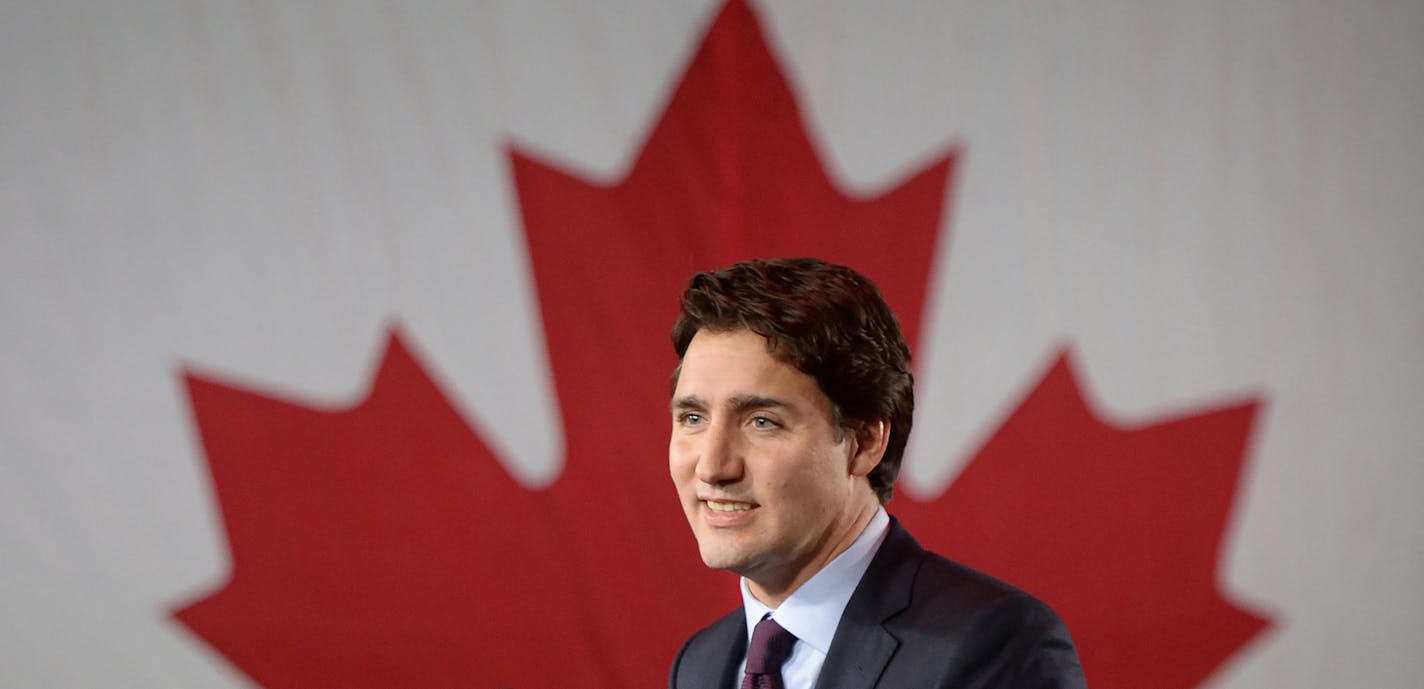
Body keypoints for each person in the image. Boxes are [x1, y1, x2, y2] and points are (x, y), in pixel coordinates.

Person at [666, 258, 1086, 689]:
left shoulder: (996, 644)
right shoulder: (699, 664)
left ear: (865, 442)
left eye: (762, 422)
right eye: (693, 418)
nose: (713, 467)